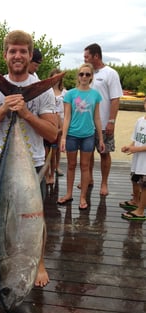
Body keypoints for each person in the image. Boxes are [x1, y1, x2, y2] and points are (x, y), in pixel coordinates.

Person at [0, 30, 58, 287]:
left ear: (30, 54)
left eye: (23, 51)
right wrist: (3, 107)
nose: (18, 55)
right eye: (13, 51)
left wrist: (25, 113)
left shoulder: (42, 92)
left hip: (31, 165)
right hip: (0, 166)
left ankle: (39, 262)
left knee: (35, 218)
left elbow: (53, 133)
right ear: (5, 55)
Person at [57, 63, 105, 210]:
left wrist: (101, 138)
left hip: (88, 136)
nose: (84, 77)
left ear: (91, 77)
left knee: (85, 167)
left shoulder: (95, 95)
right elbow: (66, 117)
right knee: (71, 166)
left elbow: (97, 117)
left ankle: (83, 197)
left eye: (87, 74)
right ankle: (69, 193)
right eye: (81, 74)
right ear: (78, 76)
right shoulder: (70, 94)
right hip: (71, 135)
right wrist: (63, 138)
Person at [80, 43, 123, 196]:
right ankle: (89, 178)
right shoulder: (87, 74)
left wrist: (111, 121)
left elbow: (115, 99)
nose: (84, 59)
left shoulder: (110, 73)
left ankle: (104, 183)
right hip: (87, 124)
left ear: (96, 56)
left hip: (104, 123)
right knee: (87, 153)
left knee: (104, 153)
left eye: (87, 56)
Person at [120, 97, 146, 221]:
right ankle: (135, 201)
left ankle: (140, 211)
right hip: (138, 160)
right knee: (134, 179)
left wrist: (135, 149)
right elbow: (136, 139)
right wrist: (129, 147)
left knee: (145, 185)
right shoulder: (140, 121)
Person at [50, 68, 67, 177]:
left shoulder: (65, 92)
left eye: (58, 78)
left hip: (62, 120)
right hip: (51, 120)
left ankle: (57, 166)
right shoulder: (47, 91)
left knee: (58, 147)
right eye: (54, 77)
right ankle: (49, 168)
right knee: (51, 147)